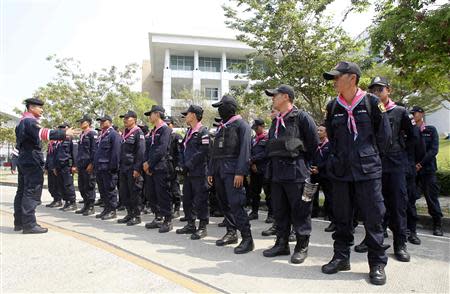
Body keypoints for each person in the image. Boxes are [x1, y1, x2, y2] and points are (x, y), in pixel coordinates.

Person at [322, 62, 392, 285]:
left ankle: (377, 264)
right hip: (342, 171)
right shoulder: (333, 107)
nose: (334, 82)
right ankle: (341, 257)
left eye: (337, 77)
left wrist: (368, 156)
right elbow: (332, 138)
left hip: (367, 170)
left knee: (373, 218)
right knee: (342, 217)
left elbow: (385, 138)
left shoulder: (372, 103)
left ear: (352, 78)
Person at [353, 76, 418, 262]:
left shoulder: (399, 111)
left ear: (388, 90)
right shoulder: (366, 110)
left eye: (380, 89)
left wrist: (402, 155)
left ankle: (400, 244)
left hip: (395, 164)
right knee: (372, 205)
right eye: (373, 90)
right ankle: (372, 239)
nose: (376, 93)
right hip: (373, 164)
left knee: (397, 205)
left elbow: (413, 138)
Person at [262, 85, 319, 265]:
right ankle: (281, 243)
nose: (272, 98)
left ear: (286, 97)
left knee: (300, 211)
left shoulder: (301, 117)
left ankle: (301, 246)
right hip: (278, 173)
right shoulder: (276, 121)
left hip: (296, 172)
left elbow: (314, 143)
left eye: (275, 95)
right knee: (280, 211)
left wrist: (305, 165)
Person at [14, 98, 78, 234]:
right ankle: (29, 224)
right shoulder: (29, 121)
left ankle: (19, 222)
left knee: (22, 191)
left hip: (24, 159)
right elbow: (43, 133)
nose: (42, 110)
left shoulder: (20, 122)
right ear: (31, 108)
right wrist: (64, 133)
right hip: (31, 160)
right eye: (39, 107)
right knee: (31, 191)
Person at [208, 95, 254, 254]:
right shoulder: (222, 126)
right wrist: (211, 170)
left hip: (233, 171)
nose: (220, 110)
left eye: (222, 107)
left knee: (236, 204)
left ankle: (247, 239)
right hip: (219, 170)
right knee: (224, 203)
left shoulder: (242, 125)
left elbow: (245, 151)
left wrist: (240, 172)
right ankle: (231, 232)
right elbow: (214, 151)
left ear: (230, 107)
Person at [176, 105, 210, 239]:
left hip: (199, 172)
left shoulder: (203, 131)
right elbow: (183, 149)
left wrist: (189, 164)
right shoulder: (189, 131)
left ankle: (202, 227)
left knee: (201, 199)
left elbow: (203, 152)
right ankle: (191, 223)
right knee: (188, 198)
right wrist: (181, 164)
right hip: (188, 172)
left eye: (188, 114)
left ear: (194, 115)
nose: (186, 116)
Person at [411, 106, 444, 236]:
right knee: (410, 197)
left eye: (416, 113)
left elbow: (433, 150)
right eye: (412, 113)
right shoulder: (411, 130)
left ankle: (437, 224)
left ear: (422, 114)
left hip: (428, 170)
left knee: (431, 198)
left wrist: (421, 163)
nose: (413, 115)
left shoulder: (430, 130)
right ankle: (410, 225)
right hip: (413, 170)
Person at [143, 105, 173, 233]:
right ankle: (157, 217)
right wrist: (146, 163)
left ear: (157, 114)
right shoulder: (153, 130)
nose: (149, 117)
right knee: (151, 193)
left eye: (151, 114)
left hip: (161, 166)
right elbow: (148, 148)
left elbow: (161, 149)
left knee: (163, 194)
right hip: (151, 167)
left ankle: (168, 219)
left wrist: (149, 163)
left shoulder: (165, 129)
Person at [117, 110, 145, 226]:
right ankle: (129, 213)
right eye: (124, 118)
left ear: (134, 119)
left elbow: (141, 152)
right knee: (124, 192)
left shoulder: (138, 132)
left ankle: (136, 215)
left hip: (132, 167)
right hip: (123, 167)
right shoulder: (125, 132)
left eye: (127, 118)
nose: (125, 120)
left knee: (134, 192)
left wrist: (137, 169)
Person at [94, 115, 121, 220]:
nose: (101, 123)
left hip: (108, 168)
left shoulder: (113, 134)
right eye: (100, 121)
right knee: (103, 190)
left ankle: (112, 210)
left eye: (103, 121)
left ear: (109, 122)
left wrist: (113, 167)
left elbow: (116, 152)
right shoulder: (102, 135)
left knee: (110, 190)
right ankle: (106, 208)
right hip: (100, 167)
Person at [310, 123, 335, 232]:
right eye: (317, 130)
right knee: (312, 194)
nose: (318, 132)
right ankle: (313, 212)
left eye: (320, 130)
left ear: (326, 132)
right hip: (313, 172)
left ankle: (328, 214)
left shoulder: (330, 145)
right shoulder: (315, 144)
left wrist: (319, 168)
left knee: (328, 195)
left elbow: (329, 160)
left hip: (325, 173)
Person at [248, 118, 272, 223]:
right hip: (254, 169)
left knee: (269, 194)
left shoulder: (267, 138)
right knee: (254, 193)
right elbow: (249, 151)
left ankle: (271, 215)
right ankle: (254, 212)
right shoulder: (254, 139)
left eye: (256, 128)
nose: (255, 130)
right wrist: (252, 163)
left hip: (264, 169)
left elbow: (266, 153)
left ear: (262, 126)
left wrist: (252, 160)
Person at [74, 115, 98, 216]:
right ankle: (86, 205)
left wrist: (92, 163)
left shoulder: (92, 133)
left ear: (88, 122)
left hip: (88, 164)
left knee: (89, 185)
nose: (80, 123)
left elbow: (94, 150)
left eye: (82, 122)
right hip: (81, 164)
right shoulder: (82, 135)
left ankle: (91, 206)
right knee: (82, 186)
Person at [54, 122, 78, 212]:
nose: (61, 129)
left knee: (68, 184)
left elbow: (74, 153)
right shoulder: (59, 140)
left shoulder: (70, 138)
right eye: (60, 128)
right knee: (61, 185)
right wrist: (55, 167)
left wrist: (74, 165)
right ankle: (67, 201)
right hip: (59, 166)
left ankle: (72, 202)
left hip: (67, 165)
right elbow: (55, 155)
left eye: (63, 127)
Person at [164, 116, 183, 219]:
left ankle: (177, 208)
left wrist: (179, 165)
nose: (167, 125)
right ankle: (169, 208)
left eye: (168, 124)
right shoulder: (163, 135)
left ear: (172, 125)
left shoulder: (176, 136)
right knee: (166, 188)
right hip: (164, 165)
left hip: (173, 165)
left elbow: (180, 152)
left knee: (174, 188)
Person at [45, 140, 62, 208]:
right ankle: (55, 199)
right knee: (50, 186)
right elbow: (48, 156)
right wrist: (46, 167)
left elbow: (57, 157)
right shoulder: (50, 144)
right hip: (50, 167)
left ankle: (58, 200)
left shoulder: (58, 144)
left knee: (56, 185)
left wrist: (55, 167)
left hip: (55, 168)